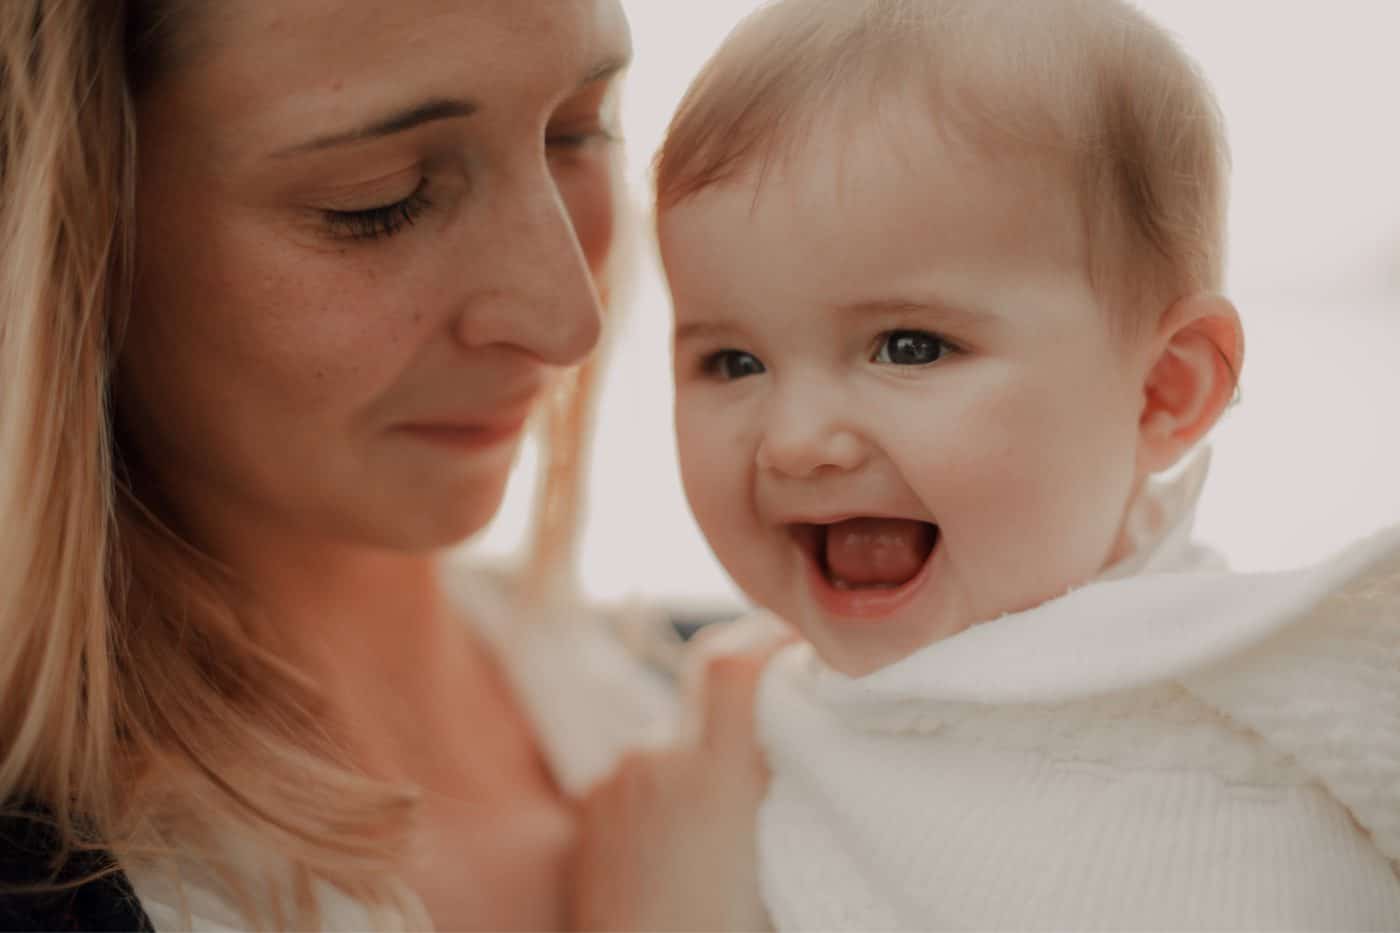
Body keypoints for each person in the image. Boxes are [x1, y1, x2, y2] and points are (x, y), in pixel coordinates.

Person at [0, 2, 775, 930]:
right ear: (63, 231)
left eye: (580, 129)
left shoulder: (782, 715)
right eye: (380, 197)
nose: (568, 319)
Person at [654, 0, 1400, 928]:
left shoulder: (1280, 718)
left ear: (1161, 392)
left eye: (910, 346)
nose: (796, 439)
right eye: (733, 362)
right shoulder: (732, 747)